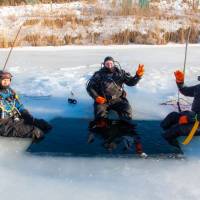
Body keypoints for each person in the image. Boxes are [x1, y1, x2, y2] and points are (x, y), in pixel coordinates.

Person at [86, 56, 144, 127]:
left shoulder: (121, 73)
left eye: (111, 63)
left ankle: (125, 127)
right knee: (100, 117)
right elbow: (90, 87)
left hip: (118, 100)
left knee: (127, 108)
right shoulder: (98, 74)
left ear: (114, 63)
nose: (109, 65)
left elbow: (131, 83)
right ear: (104, 64)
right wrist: (96, 97)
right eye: (107, 63)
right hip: (102, 100)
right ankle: (103, 128)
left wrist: (137, 76)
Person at [0, 70, 52, 140]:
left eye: (8, 80)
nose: (6, 82)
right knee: (36, 132)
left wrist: (25, 113)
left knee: (44, 125)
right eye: (3, 80)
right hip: (4, 125)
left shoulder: (10, 91)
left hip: (14, 119)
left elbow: (18, 105)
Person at [161, 70, 200, 148]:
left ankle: (186, 150)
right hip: (194, 117)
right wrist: (180, 82)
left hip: (196, 122)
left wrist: (189, 119)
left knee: (173, 132)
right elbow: (185, 90)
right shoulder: (198, 87)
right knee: (168, 120)